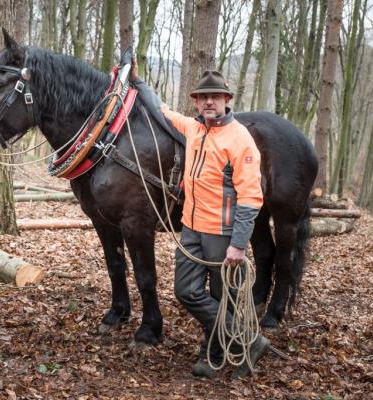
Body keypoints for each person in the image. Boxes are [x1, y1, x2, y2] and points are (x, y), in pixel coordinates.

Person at [130, 60, 270, 379]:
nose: (209, 101)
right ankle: (249, 340)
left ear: (226, 100)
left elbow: (250, 198)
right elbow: (161, 109)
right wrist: (138, 82)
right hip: (191, 228)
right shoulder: (193, 129)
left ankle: (216, 353)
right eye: (203, 97)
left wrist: (237, 244)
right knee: (186, 291)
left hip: (222, 234)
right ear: (196, 101)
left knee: (224, 297)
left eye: (215, 97)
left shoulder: (240, 139)